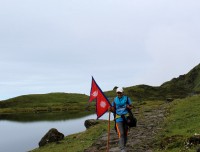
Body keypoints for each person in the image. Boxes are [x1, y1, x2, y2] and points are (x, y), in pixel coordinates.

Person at [109, 87, 133, 152]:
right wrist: (110, 109)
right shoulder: (114, 100)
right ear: (116, 93)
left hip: (126, 118)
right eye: (118, 93)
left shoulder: (127, 98)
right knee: (121, 133)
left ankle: (123, 146)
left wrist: (129, 107)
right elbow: (113, 109)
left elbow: (131, 106)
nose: (119, 94)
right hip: (118, 118)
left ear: (122, 92)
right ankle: (122, 149)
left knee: (125, 133)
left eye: (120, 92)